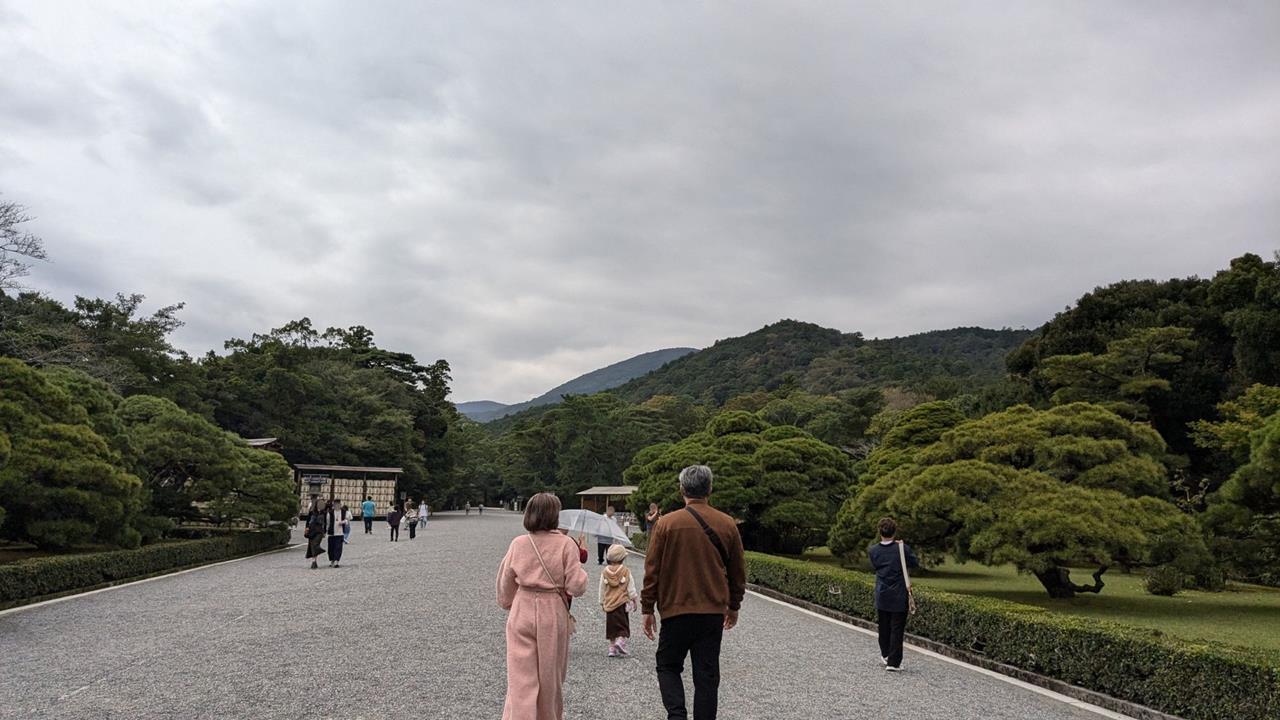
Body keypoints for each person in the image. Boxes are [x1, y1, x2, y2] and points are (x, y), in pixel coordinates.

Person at [642, 465, 745, 720]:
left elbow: (652, 569)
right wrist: (734, 605)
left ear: (682, 490)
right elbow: (737, 572)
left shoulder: (666, 524)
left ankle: (676, 715)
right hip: (711, 612)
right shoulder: (727, 524)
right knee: (707, 676)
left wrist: (647, 608)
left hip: (675, 609)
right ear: (709, 489)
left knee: (667, 666)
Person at [496, 492, 589, 720]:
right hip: (552, 611)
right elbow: (576, 586)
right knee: (550, 678)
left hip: (523, 607)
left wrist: (508, 602)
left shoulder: (519, 543)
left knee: (520, 679)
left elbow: (505, 583)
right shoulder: (567, 544)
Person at [869, 517, 919, 672]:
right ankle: (894, 661)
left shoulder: (874, 550)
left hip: (882, 593)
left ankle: (885, 654)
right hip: (898, 594)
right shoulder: (902, 549)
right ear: (894, 531)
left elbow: (876, 566)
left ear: (880, 532)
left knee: (883, 626)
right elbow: (915, 563)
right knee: (897, 628)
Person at [599, 543, 638, 657]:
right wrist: (634, 598)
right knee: (622, 625)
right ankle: (620, 641)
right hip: (621, 603)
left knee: (611, 626)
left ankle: (612, 648)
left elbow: (602, 588)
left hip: (610, 603)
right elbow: (630, 586)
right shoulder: (625, 571)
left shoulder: (605, 572)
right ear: (622, 558)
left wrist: (602, 601)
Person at [304, 496, 327, 570]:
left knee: (315, 544)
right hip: (312, 530)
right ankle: (314, 561)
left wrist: (325, 531)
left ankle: (318, 552)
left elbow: (325, 523)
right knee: (312, 546)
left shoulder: (324, 513)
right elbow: (308, 521)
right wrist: (306, 528)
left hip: (319, 531)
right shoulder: (312, 512)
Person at [327, 500, 348, 568]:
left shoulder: (344, 512)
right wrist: (326, 531)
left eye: (338, 504)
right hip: (331, 532)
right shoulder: (330, 512)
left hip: (340, 532)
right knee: (331, 548)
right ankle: (332, 560)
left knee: (338, 547)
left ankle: (337, 560)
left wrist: (343, 522)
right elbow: (327, 522)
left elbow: (347, 520)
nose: (337, 505)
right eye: (335, 504)